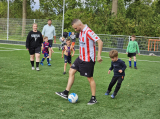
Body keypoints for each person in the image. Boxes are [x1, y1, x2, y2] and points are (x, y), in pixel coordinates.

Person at [56, 19, 103, 105]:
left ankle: (93, 98)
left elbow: (100, 42)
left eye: (75, 28)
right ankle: (66, 93)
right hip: (81, 58)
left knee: (89, 78)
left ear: (80, 25)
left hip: (88, 59)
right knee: (71, 71)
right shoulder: (81, 31)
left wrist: (99, 55)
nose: (75, 30)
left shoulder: (88, 31)